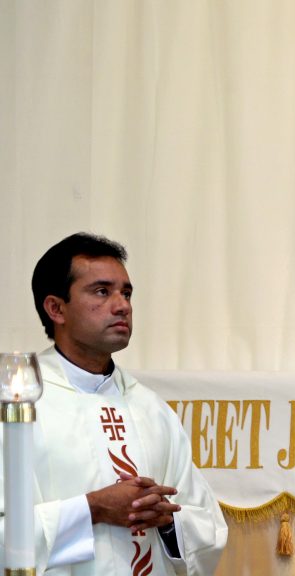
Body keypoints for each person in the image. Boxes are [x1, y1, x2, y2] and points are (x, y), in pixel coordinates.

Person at [2, 233, 228, 574]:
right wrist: (91, 509)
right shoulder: (17, 405)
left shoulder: (151, 410)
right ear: (56, 308)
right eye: (102, 291)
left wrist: (168, 522)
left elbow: (208, 527)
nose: (122, 305)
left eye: (126, 292)